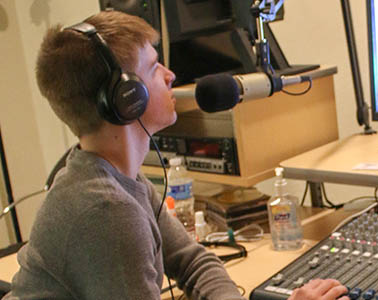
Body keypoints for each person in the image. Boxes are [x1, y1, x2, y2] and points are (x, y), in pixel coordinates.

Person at [3, 11, 348, 300]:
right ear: (127, 97)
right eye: (154, 67)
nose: (171, 76)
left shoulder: (120, 176)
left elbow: (194, 262)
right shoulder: (105, 211)